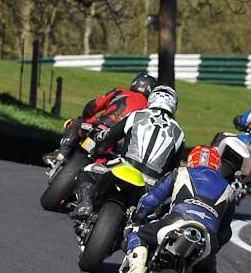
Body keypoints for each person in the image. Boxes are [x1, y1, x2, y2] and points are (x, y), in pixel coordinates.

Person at [119, 145, 236, 273]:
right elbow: (225, 232)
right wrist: (215, 246)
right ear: (217, 165)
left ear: (191, 160)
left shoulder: (180, 172)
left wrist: (138, 217)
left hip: (177, 219)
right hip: (207, 235)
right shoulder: (229, 190)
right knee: (210, 271)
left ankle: (137, 267)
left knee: (138, 234)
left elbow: (152, 199)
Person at [71, 85, 185, 219]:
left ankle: (85, 204)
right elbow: (173, 170)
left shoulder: (137, 115)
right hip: (150, 185)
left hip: (124, 166)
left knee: (87, 171)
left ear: (152, 99)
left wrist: (98, 143)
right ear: (174, 105)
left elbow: (110, 136)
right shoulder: (180, 134)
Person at [43, 73, 156, 165]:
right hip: (119, 143)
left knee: (76, 123)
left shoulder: (120, 92)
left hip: (99, 129)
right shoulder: (149, 108)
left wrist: (85, 117)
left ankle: (63, 151)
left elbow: (92, 106)